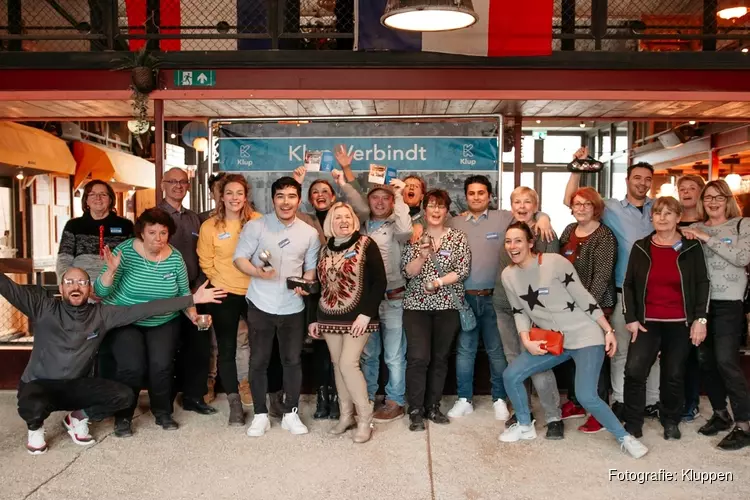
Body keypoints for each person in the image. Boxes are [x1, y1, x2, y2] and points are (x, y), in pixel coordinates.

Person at [3, 266, 224, 454]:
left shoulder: (101, 314)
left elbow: (144, 309)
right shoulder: (43, 308)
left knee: (124, 396)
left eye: (82, 281)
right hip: (39, 384)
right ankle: (35, 428)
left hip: (74, 387)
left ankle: (77, 418)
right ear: (61, 288)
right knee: (31, 399)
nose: (75, 286)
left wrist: (192, 299)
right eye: (69, 281)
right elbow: (8, 287)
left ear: (90, 289)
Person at [498, 222, 648, 459]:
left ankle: (624, 437)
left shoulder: (554, 262)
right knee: (511, 375)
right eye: (508, 241)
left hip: (585, 336)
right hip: (554, 340)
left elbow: (583, 296)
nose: (512, 246)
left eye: (518, 240)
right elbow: (519, 311)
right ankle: (525, 426)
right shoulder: (508, 275)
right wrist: (526, 340)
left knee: (587, 395)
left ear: (530, 243)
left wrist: (608, 330)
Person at [447, 176, 553, 421]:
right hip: (464, 298)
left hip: (496, 298)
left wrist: (544, 216)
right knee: (465, 350)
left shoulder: (503, 218)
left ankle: (498, 398)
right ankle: (464, 399)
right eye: (471, 193)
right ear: (465, 196)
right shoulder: (455, 221)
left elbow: (529, 213)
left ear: (490, 196)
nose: (476, 197)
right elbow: (431, 223)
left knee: (497, 352)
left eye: (481, 193)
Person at [565, 151, 659, 421]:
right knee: (619, 350)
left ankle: (653, 400)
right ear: (627, 180)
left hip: (656, 292)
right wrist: (576, 168)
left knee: (653, 350)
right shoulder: (611, 208)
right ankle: (619, 399)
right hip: (622, 291)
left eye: (647, 179)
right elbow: (571, 200)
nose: (642, 183)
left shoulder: (659, 208)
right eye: (637, 178)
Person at [94, 208, 199, 436]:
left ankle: (162, 412)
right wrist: (110, 271)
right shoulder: (125, 252)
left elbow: (183, 292)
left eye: (163, 233)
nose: (158, 238)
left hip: (163, 319)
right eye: (152, 232)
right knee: (132, 367)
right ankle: (123, 416)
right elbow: (100, 290)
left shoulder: (174, 257)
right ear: (142, 232)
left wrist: (194, 315)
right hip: (126, 318)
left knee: (161, 366)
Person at [234, 176, 321, 437]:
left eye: (291, 196)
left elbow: (310, 270)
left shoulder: (310, 233)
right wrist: (258, 273)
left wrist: (305, 285)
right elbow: (239, 259)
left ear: (299, 199)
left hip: (292, 307)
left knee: (292, 361)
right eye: (280, 196)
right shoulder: (256, 227)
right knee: (259, 360)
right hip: (260, 304)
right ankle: (260, 414)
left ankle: (290, 413)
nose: (286, 202)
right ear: (273, 199)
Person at [622, 197, 709, 440]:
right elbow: (628, 284)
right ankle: (633, 423)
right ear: (652, 217)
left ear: (678, 218)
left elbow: (703, 284)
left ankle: (670, 420)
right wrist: (630, 317)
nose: (662, 217)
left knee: (673, 375)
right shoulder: (641, 247)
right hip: (647, 322)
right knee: (634, 371)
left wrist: (700, 320)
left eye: (669, 213)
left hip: (680, 323)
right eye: (658, 212)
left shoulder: (691, 248)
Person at [308, 202, 387, 443]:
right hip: (328, 316)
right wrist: (313, 319)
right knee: (337, 364)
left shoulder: (366, 244)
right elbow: (318, 286)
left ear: (354, 220)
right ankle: (346, 416)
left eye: (347, 217)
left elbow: (379, 282)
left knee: (348, 363)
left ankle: (365, 419)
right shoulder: (324, 250)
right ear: (330, 222)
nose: (343, 221)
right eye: (338, 217)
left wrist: (366, 314)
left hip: (358, 317)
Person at [682, 180, 750, 450]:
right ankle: (721, 414)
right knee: (705, 360)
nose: (712, 201)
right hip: (702, 304)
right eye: (708, 197)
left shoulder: (742, 224)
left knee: (726, 362)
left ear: (728, 199)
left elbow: (742, 257)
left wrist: (706, 237)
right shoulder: (694, 229)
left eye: (718, 197)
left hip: (729, 303)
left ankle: (744, 424)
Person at [338, 174, 412, 422]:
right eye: (375, 198)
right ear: (369, 201)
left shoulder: (397, 224)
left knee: (393, 355)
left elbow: (406, 230)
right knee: (369, 355)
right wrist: (343, 181)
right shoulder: (358, 226)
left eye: (386, 198)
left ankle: (395, 401)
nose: (380, 202)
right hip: (365, 301)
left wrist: (400, 195)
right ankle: (367, 397)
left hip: (393, 298)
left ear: (392, 202)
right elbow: (353, 200)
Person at [494, 186, 564, 439]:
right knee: (515, 362)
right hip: (505, 306)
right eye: (517, 202)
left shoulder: (545, 233)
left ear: (536, 206)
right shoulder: (508, 229)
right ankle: (524, 412)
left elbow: (553, 275)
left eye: (527, 202)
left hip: (536, 310)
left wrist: (544, 217)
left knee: (539, 364)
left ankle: (554, 416)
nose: (522, 206)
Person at [402, 189, 470, 431]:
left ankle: (433, 406)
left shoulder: (457, 237)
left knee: (440, 359)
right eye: (431, 205)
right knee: (419, 357)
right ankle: (415, 409)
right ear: (424, 209)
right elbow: (406, 272)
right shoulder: (414, 236)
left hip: (447, 306)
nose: (436, 210)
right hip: (416, 307)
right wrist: (421, 257)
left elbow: (462, 269)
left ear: (447, 210)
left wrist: (438, 283)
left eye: (440, 206)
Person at [198, 174, 263, 426]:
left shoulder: (258, 222)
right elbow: (205, 260)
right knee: (226, 348)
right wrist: (220, 282)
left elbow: (267, 253)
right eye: (229, 193)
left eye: (239, 193)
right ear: (221, 196)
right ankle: (234, 403)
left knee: (261, 345)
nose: (234, 198)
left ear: (245, 196)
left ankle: (258, 396)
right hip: (224, 292)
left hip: (256, 292)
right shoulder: (210, 226)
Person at [558, 187, 618, 433]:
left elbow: (602, 278)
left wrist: (586, 309)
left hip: (596, 307)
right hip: (569, 307)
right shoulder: (569, 231)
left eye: (587, 204)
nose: (581, 208)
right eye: (577, 204)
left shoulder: (605, 236)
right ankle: (577, 402)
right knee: (573, 356)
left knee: (595, 361)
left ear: (596, 208)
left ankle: (599, 412)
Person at [159, 168, 216, 415]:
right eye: (172, 181)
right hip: (166, 297)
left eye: (182, 182)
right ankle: (164, 404)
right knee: (167, 350)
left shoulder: (194, 219)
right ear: (163, 184)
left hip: (195, 294)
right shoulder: (155, 216)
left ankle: (194, 397)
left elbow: (202, 254)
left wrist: (199, 286)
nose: (178, 186)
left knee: (199, 348)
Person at [293, 165, 339, 419]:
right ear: (310, 199)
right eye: (315, 192)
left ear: (333, 196)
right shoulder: (306, 220)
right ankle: (323, 397)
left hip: (342, 295)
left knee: (339, 350)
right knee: (321, 347)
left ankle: (336, 396)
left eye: (325, 191)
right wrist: (296, 183)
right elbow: (288, 210)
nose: (320, 195)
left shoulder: (344, 217)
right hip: (316, 294)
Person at [56, 180, 134, 283]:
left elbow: (133, 260)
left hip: (117, 287)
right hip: (81, 286)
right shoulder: (73, 226)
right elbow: (63, 261)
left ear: (110, 200)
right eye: (92, 194)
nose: (98, 198)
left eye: (103, 194)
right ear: (86, 200)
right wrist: (74, 285)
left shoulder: (126, 226)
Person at [676, 174, 706, 422]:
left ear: (700, 192)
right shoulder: (671, 223)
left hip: (705, 293)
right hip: (677, 297)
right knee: (681, 353)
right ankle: (680, 400)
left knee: (701, 354)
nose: (686, 192)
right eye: (682, 189)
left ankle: (693, 402)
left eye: (692, 188)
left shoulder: (708, 223)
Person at [404, 175, 427, 242]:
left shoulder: (428, 217)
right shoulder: (392, 215)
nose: (411, 188)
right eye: (407, 186)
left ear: (421, 196)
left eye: (416, 186)